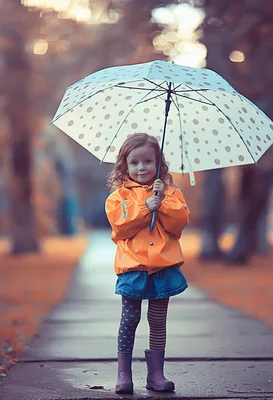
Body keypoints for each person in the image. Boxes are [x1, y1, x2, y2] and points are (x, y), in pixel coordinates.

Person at [105, 133, 190, 394]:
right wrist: (145, 208)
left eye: (148, 162)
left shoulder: (172, 194)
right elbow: (120, 228)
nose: (142, 168)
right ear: (124, 166)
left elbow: (179, 225)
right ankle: (124, 374)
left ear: (158, 164)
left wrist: (162, 204)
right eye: (135, 163)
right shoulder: (118, 197)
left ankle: (156, 375)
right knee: (129, 320)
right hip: (133, 268)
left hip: (163, 268)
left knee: (157, 320)